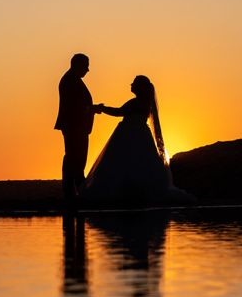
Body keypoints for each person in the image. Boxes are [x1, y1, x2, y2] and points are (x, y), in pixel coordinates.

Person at [83, 75, 194, 205]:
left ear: (139, 87)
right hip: (140, 134)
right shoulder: (143, 102)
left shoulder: (136, 102)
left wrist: (101, 108)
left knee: (123, 162)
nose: (131, 85)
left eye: (134, 83)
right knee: (138, 162)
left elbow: (119, 112)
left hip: (129, 133)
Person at [55, 54, 96, 205]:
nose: (88, 70)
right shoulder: (70, 81)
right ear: (77, 65)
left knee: (76, 157)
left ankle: (75, 189)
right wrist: (92, 108)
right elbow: (74, 106)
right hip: (74, 126)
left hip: (77, 126)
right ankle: (73, 190)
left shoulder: (72, 80)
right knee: (74, 157)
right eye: (86, 66)